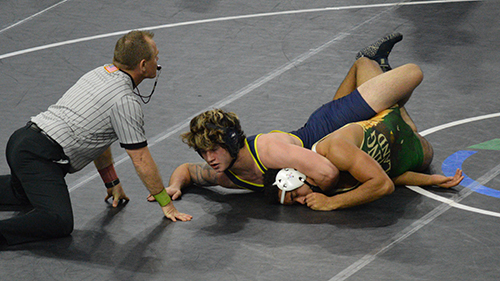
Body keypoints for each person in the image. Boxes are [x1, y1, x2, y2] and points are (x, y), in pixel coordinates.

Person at [151, 33, 424, 201]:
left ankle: (368, 64)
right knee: (408, 131)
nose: (209, 159)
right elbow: (187, 171)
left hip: (328, 127)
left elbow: (328, 174)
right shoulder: (226, 177)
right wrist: (174, 186)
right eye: (204, 153)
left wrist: (315, 196)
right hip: (319, 142)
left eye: (214, 150)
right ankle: (365, 65)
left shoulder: (268, 150)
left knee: (412, 75)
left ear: (233, 142)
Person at [0, 30, 191, 246]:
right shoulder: (125, 102)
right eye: (156, 56)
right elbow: (140, 159)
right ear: (143, 64)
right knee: (58, 221)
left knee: (22, 193)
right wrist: (166, 204)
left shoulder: (101, 73)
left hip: (22, 141)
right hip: (40, 158)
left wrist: (112, 182)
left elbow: (98, 137)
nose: (158, 61)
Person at [263, 104, 464, 210]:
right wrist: (430, 180)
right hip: (406, 153)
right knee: (426, 155)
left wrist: (333, 203)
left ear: (294, 177)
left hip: (389, 115)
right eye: (294, 203)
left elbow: (383, 185)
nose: (302, 202)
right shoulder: (324, 185)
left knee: (411, 74)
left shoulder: (333, 150)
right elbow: (384, 175)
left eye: (295, 195)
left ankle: (372, 63)